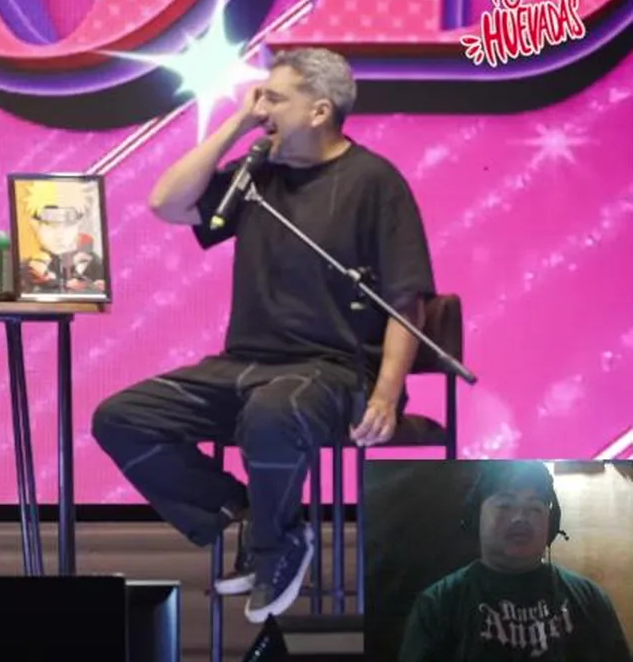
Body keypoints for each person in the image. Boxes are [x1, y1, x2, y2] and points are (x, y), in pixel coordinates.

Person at [91, 47, 436, 623]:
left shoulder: (374, 181)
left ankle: (278, 548)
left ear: (319, 111)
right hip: (245, 366)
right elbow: (166, 203)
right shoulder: (257, 174)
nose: (261, 107)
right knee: (122, 416)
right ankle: (252, 513)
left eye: (274, 98)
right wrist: (235, 125)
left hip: (336, 372)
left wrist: (385, 394)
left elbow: (407, 301)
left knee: (273, 411)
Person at [400, 461, 632, 661]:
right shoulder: (438, 605)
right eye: (505, 505)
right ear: (475, 518)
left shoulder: (590, 600)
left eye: (534, 508)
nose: (520, 518)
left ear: (550, 524)